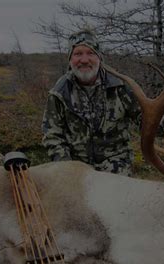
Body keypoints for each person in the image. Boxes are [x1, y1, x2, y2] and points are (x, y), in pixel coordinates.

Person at [41, 29, 140, 176]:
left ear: (99, 57)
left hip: (117, 167)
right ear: (70, 59)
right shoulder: (59, 93)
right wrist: (66, 168)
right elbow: (52, 136)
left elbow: (143, 118)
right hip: (77, 170)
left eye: (90, 53)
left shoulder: (121, 87)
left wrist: (162, 123)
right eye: (78, 54)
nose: (84, 60)